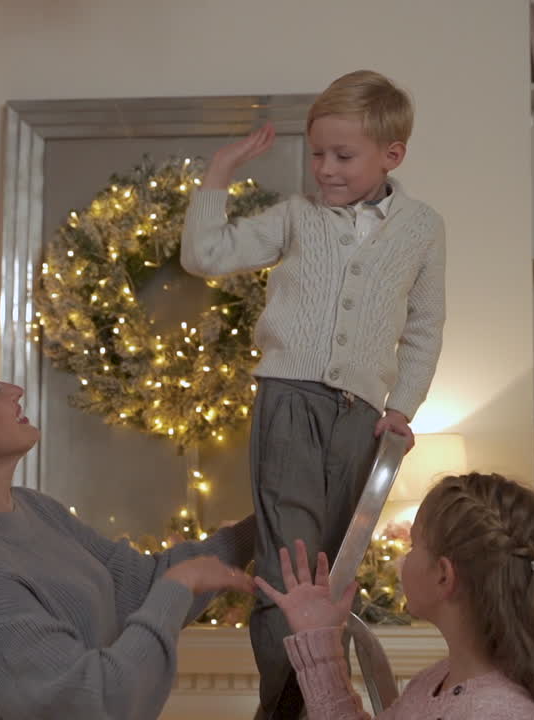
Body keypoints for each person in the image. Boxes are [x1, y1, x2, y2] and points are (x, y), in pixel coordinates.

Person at [180, 69, 447, 718]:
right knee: (288, 571)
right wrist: (219, 173)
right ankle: (284, 710)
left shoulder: (422, 227)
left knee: (332, 577)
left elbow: (424, 325)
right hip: (289, 403)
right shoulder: (297, 217)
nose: (324, 169)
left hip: (362, 418)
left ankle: (320, 701)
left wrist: (402, 407)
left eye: (343, 156)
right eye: (317, 152)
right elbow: (206, 254)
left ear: (393, 155)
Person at [0, 348, 257, 720]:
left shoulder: (37, 509)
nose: (16, 390)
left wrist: (263, 528)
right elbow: (90, 703)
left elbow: (141, 586)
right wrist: (177, 587)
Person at [256, 472, 534, 720]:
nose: (403, 559)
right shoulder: (437, 680)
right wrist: (319, 642)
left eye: (413, 545)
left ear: (443, 575)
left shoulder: (497, 712)